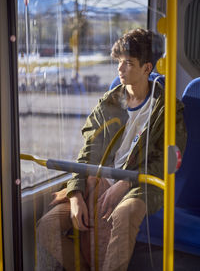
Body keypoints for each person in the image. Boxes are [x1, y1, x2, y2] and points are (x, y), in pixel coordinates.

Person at [37, 29, 187, 271]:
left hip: (143, 184)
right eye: (119, 61)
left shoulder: (167, 109)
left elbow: (168, 161)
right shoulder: (108, 102)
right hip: (99, 180)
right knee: (48, 226)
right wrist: (75, 193)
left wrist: (127, 182)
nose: (120, 69)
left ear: (147, 68)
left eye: (128, 63)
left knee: (123, 215)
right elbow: (87, 151)